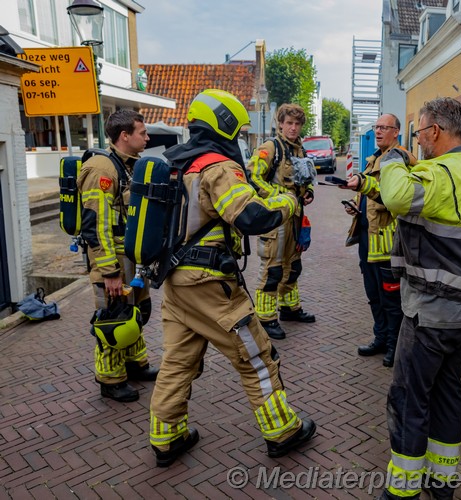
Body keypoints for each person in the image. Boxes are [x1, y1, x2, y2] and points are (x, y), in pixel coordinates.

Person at [149, 90, 316, 467]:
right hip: (211, 285)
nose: (238, 138)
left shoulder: (177, 163)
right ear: (222, 123)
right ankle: (282, 431)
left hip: (177, 283)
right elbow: (251, 217)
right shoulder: (217, 167)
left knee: (177, 362)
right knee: (256, 355)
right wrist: (288, 203)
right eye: (236, 129)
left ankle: (166, 436)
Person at [377, 97, 461, 499]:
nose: (417, 141)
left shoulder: (439, 175)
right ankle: (442, 483)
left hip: (431, 314)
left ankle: (401, 490)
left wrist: (390, 158)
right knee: (448, 392)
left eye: (418, 133)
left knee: (408, 398)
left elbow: (398, 197)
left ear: (435, 131)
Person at [77, 109, 159, 403]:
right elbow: (95, 226)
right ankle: (110, 380)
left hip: (131, 260)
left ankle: (135, 365)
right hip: (112, 263)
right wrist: (110, 272)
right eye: (142, 133)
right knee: (113, 319)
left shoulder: (128, 166)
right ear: (125, 136)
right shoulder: (102, 169)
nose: (147, 137)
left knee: (136, 313)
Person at [341, 113, 416, 367]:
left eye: (384, 127)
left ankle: (394, 345)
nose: (379, 131)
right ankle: (381, 338)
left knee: (391, 299)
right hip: (367, 240)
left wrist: (363, 185)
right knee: (373, 294)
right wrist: (355, 204)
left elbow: (391, 197)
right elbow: (368, 196)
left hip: (387, 244)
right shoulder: (374, 157)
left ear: (397, 132)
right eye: (377, 127)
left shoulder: (400, 159)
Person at [248, 103, 316, 340]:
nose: (293, 128)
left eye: (297, 124)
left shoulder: (299, 150)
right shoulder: (271, 147)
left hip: (295, 218)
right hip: (276, 219)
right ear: (280, 124)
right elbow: (252, 177)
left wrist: (308, 192)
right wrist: (278, 198)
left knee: (293, 265)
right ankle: (265, 318)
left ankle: (290, 309)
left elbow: (303, 180)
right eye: (289, 123)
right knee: (272, 268)